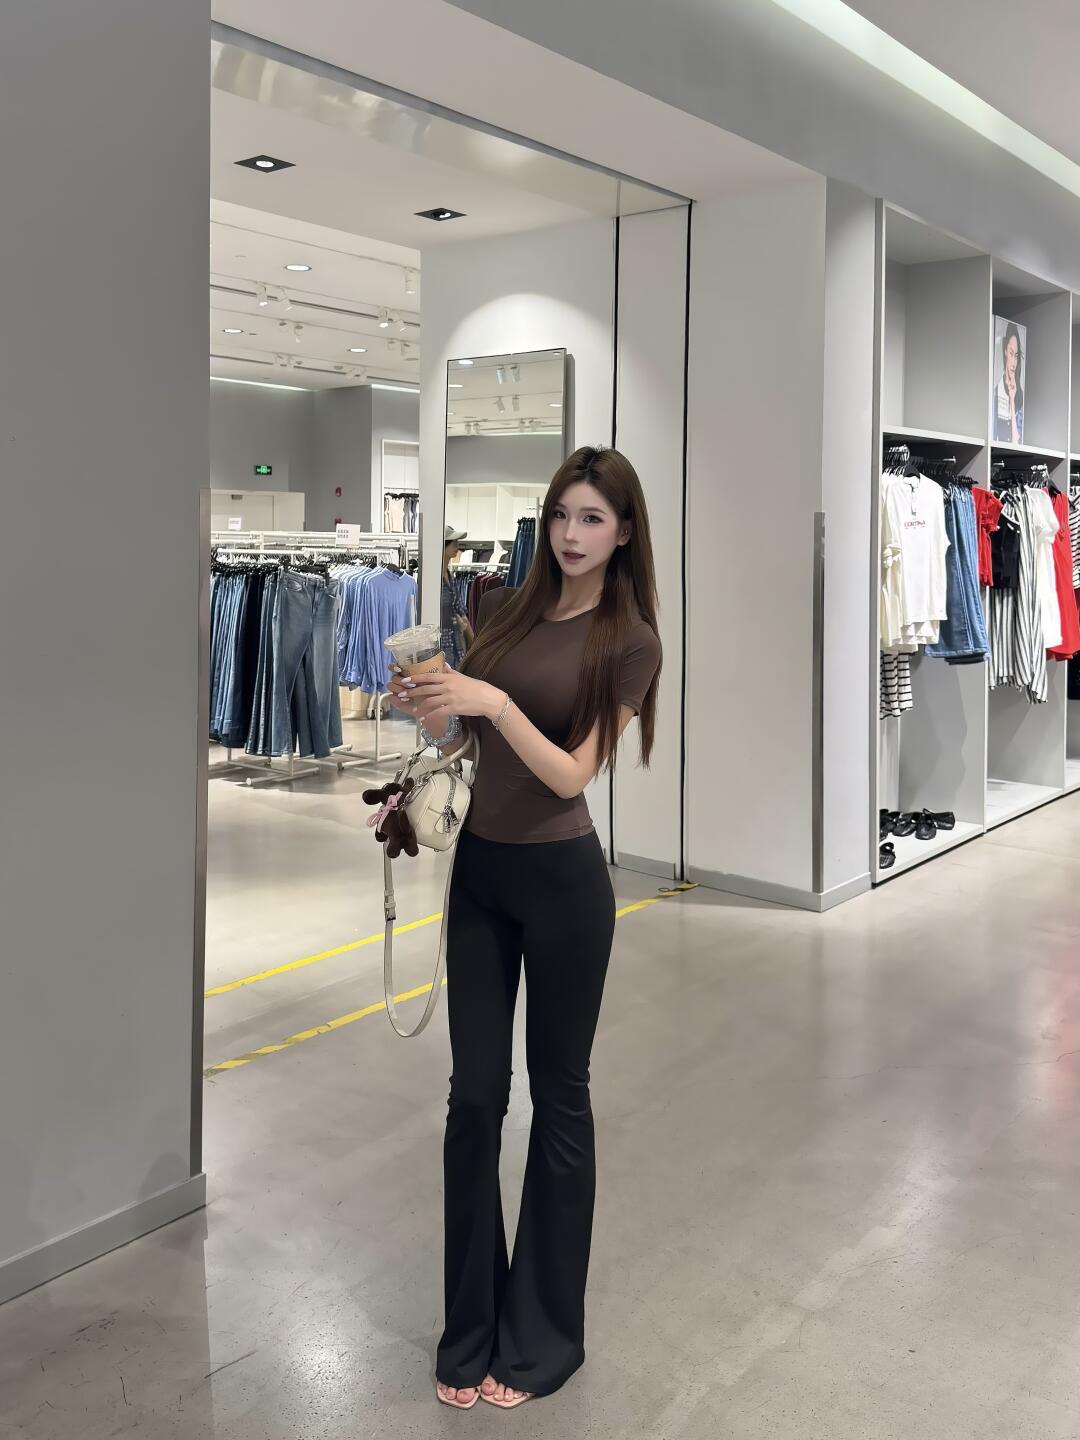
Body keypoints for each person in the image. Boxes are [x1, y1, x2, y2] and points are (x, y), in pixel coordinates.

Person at [389, 446, 662, 1411]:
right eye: (560, 515)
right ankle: (469, 1329)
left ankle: (543, 1336)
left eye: (592, 518)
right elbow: (465, 741)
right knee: (473, 1101)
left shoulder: (629, 642)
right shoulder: (505, 608)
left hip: (563, 885)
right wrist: (433, 711)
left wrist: (492, 700)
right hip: (482, 875)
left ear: (623, 532)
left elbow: (572, 773)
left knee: (559, 1100)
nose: (571, 535)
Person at [440, 524, 473, 669]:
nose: (457, 546)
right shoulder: (431, 580)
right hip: (441, 647)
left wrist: (473, 642)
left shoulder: (450, 576)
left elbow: (461, 611)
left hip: (457, 643)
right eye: (453, 542)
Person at [994, 321, 1025, 444]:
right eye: (1011, 353)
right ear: (1005, 351)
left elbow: (1016, 441)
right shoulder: (996, 392)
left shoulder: (1019, 396)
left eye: (1016, 356)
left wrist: (1012, 399)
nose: (1013, 363)